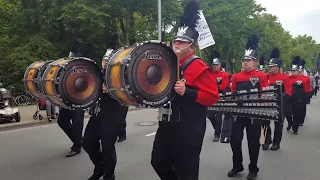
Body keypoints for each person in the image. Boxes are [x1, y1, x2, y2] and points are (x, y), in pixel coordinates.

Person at [150, 1, 220, 179]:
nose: (177, 45)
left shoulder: (199, 66)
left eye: (182, 42)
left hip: (189, 127)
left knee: (186, 170)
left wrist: (187, 91)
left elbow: (212, 97)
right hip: (166, 124)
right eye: (176, 41)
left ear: (191, 46)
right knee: (158, 162)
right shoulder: (167, 64)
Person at [82, 34, 129, 180]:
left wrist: (112, 89)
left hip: (113, 115)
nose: (104, 62)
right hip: (97, 114)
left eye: (108, 60)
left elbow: (129, 93)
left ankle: (109, 175)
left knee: (108, 147)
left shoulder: (122, 75)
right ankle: (100, 167)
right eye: (104, 59)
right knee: (88, 142)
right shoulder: (97, 74)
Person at [227, 35, 269, 180]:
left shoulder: (261, 76)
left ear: (254, 62)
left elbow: (265, 94)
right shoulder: (236, 76)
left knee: (253, 142)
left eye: (248, 60)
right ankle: (237, 165)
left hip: (254, 113)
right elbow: (232, 93)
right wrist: (232, 96)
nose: (245, 62)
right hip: (239, 113)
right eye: (244, 60)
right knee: (235, 140)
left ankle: (253, 168)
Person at [57, 38, 85, 158]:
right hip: (68, 99)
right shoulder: (68, 63)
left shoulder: (84, 65)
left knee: (77, 123)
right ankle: (78, 140)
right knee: (62, 121)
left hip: (79, 99)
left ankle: (77, 146)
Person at [261, 48, 292, 151]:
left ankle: (276, 142)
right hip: (267, 104)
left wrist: (279, 97)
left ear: (277, 67)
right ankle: (266, 140)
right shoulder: (265, 76)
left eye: (272, 66)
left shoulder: (285, 77)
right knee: (264, 123)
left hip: (280, 104)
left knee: (278, 124)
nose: (269, 68)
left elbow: (288, 91)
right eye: (269, 66)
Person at [207, 51, 232, 143]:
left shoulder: (224, 75)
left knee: (218, 116)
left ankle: (217, 134)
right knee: (210, 115)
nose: (215, 66)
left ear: (220, 65)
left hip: (220, 97)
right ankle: (218, 129)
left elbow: (222, 87)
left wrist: (213, 86)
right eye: (213, 65)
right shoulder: (209, 74)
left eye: (216, 65)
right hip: (211, 97)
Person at [287, 56, 310, 134]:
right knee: (288, 113)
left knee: (296, 114)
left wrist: (306, 99)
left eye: (295, 71)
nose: (293, 72)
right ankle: (290, 122)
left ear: (298, 71)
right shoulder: (287, 78)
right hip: (289, 99)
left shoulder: (304, 79)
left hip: (298, 99)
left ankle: (295, 128)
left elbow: (306, 89)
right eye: (292, 71)